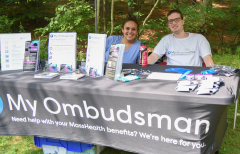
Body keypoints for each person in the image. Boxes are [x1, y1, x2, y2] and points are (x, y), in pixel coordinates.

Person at [148, 10, 214, 67]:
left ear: (183, 22)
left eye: (177, 20)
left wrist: (211, 73)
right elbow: (153, 56)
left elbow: (207, 59)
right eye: (170, 21)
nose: (173, 23)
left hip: (193, 76)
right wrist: (141, 68)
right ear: (168, 24)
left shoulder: (199, 38)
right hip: (172, 75)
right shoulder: (166, 40)